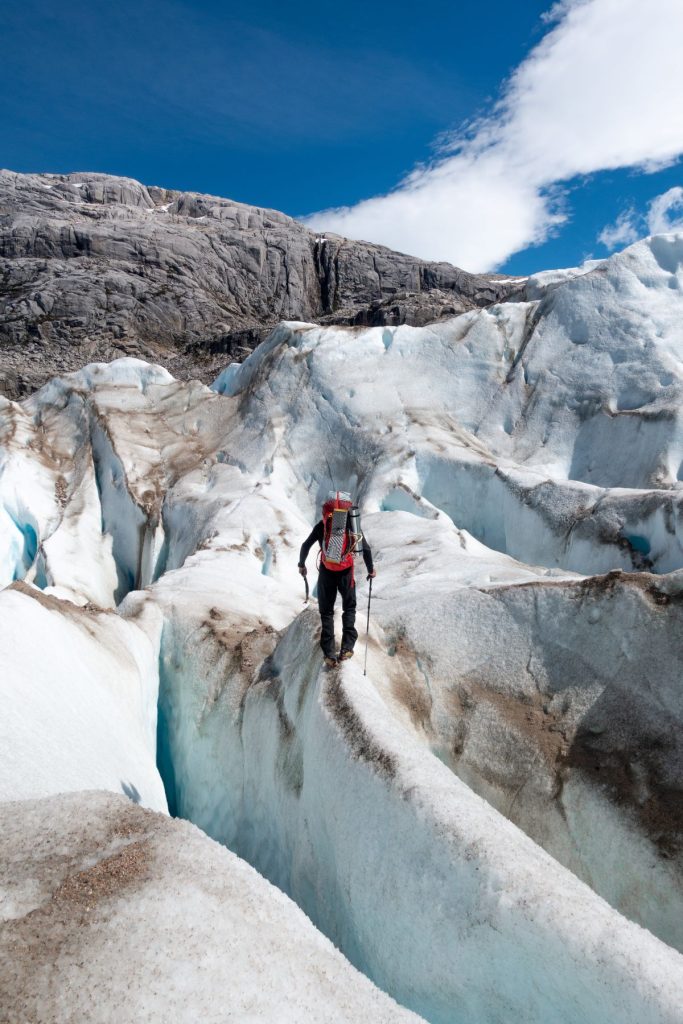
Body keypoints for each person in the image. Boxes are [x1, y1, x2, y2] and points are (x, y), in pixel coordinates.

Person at [299, 496, 375, 667]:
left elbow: (305, 545)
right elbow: (366, 549)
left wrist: (301, 565)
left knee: (326, 612)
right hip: (346, 573)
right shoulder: (351, 525)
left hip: (327, 572)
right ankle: (347, 647)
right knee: (349, 608)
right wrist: (371, 570)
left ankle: (329, 653)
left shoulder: (322, 526)